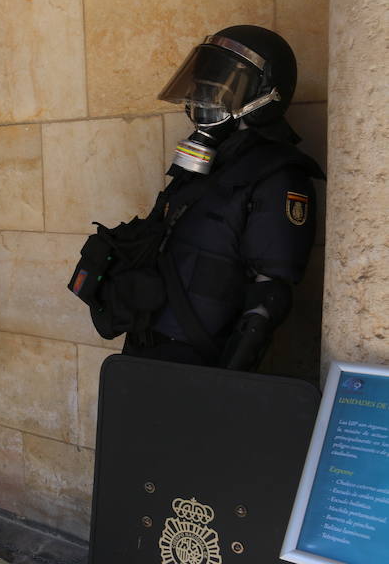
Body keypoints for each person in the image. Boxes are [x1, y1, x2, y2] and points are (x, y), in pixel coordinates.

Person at [119, 25, 324, 371]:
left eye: (219, 87)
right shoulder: (208, 163)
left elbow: (269, 296)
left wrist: (226, 385)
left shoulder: (279, 176)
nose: (203, 96)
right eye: (203, 85)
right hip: (145, 343)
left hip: (200, 359)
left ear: (264, 95)